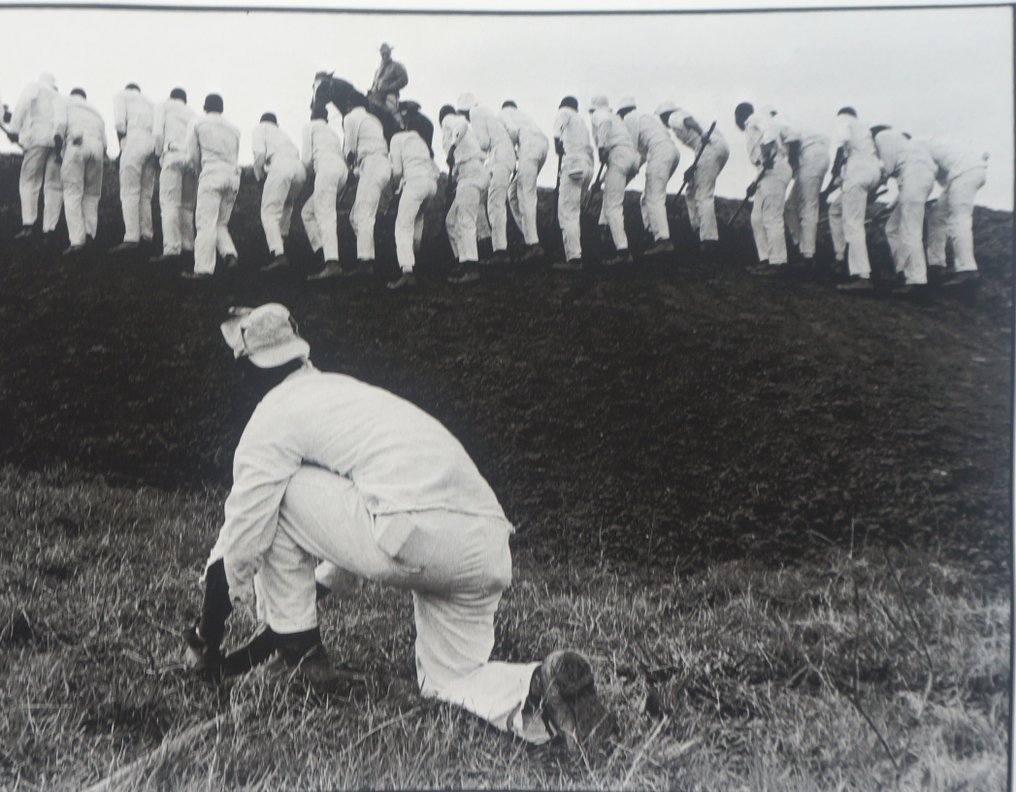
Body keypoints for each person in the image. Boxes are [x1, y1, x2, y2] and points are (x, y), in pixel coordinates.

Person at [182, 302, 612, 754]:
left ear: (250, 369)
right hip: (486, 549)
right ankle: (538, 685)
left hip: (418, 538)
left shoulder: (271, 418)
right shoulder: (344, 394)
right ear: (298, 354)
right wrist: (301, 605)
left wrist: (206, 639)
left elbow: (240, 544)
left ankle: (303, 660)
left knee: (278, 496)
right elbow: (359, 514)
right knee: (448, 679)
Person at [655, 102, 728, 257]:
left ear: (664, 115)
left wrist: (702, 134)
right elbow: (700, 148)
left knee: (703, 194)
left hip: (709, 147)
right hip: (716, 149)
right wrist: (693, 167)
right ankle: (698, 228)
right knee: (691, 191)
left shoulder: (674, 116)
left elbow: (688, 121)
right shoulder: (684, 120)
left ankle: (709, 240)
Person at [915, 135, 989, 286]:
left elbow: (924, 176)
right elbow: (942, 176)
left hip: (965, 173)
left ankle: (966, 269)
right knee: (936, 215)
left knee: (959, 219)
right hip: (966, 173)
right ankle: (936, 265)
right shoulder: (932, 144)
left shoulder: (916, 146)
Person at [183, 93, 241, 280]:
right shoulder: (234, 128)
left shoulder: (198, 122)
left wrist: (201, 171)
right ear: (222, 109)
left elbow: (192, 154)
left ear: (205, 107)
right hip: (232, 177)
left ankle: (203, 269)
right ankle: (229, 254)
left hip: (211, 174)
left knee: (205, 223)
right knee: (220, 223)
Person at [870, 126, 936, 291]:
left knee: (910, 230)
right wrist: (888, 208)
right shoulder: (904, 144)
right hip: (922, 179)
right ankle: (902, 270)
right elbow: (905, 183)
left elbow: (888, 169)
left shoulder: (881, 137)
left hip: (915, 178)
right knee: (892, 227)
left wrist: (872, 191)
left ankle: (916, 280)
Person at [456, 94, 516, 266]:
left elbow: (483, 142)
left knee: (495, 204)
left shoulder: (476, 112)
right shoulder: (487, 112)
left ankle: (500, 251)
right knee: (490, 201)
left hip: (498, 158)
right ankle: (494, 245)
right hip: (502, 157)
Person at [734, 101, 792, 276]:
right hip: (765, 172)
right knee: (757, 218)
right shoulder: (750, 128)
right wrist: (754, 183)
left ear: (739, 116)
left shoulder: (755, 118)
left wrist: (766, 151)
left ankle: (777, 263)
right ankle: (765, 259)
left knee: (771, 217)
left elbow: (771, 128)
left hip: (774, 168)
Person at [617, 97, 679, 258]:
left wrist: (617, 181)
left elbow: (630, 155)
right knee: (646, 199)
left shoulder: (630, 118)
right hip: (671, 152)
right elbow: (640, 156)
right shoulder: (646, 119)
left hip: (661, 153)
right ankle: (651, 233)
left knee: (654, 198)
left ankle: (664, 241)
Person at [769, 109, 830, 270]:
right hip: (814, 157)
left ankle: (808, 256)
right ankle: (800, 247)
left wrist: (792, 167)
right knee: (790, 206)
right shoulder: (789, 119)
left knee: (808, 207)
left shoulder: (777, 121)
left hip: (812, 157)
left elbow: (794, 141)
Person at [832, 107, 882, 292]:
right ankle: (842, 256)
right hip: (872, 173)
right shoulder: (863, 128)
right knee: (835, 211)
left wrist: (835, 170)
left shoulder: (843, 120)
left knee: (853, 224)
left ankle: (862, 276)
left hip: (858, 174)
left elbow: (842, 142)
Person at [9, 72, 63, 241]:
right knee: (53, 185)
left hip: (38, 138)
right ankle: (50, 228)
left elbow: (24, 104)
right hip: (56, 142)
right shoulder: (58, 96)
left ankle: (29, 225)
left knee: (29, 181)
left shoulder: (35, 86)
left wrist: (14, 129)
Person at [54, 88, 106, 256]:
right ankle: (90, 234)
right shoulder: (95, 111)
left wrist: (57, 153)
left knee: (72, 193)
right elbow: (105, 143)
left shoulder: (65, 101)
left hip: (77, 144)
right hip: (97, 148)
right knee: (91, 195)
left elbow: (60, 125)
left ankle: (77, 241)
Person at [252, 113, 307, 272]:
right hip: (299, 169)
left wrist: (259, 177)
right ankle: (283, 242)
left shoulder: (260, 128)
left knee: (269, 212)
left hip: (280, 166)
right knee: (287, 205)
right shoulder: (282, 134)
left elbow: (260, 154)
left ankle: (278, 255)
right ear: (276, 123)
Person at [388, 122, 439, 289]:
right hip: (431, 184)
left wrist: (395, 189)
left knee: (402, 226)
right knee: (418, 217)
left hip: (415, 183)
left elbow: (397, 172)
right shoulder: (418, 138)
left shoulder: (395, 139)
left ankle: (407, 272)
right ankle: (417, 254)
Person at [440, 104, 488, 284]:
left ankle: (471, 268)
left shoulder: (450, 120)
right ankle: (462, 259)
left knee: (465, 221)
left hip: (472, 174)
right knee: (451, 221)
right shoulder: (458, 136)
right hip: (468, 176)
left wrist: (452, 147)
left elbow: (461, 125)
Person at [343, 96, 392, 274]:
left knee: (363, 214)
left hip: (372, 165)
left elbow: (349, 150)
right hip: (382, 165)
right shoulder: (373, 120)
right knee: (355, 216)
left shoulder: (350, 118)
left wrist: (349, 168)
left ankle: (366, 262)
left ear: (350, 105)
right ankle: (369, 253)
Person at [589, 95, 638, 265]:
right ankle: (603, 229)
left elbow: (603, 124)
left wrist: (601, 148)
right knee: (611, 196)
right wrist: (600, 182)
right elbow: (617, 161)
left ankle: (623, 252)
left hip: (618, 156)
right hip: (630, 158)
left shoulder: (600, 115)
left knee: (613, 205)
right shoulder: (616, 118)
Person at [302, 107, 349, 281]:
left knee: (325, 216)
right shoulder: (332, 133)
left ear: (312, 116)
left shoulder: (310, 126)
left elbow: (306, 159)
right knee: (307, 213)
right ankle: (322, 251)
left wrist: (306, 176)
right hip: (341, 171)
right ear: (326, 119)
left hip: (327, 169)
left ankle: (332, 264)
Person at [499, 101, 549, 262]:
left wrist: (511, 155)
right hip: (542, 146)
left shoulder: (502, 114)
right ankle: (528, 234)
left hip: (529, 147)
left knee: (525, 193)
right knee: (512, 191)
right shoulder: (523, 116)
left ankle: (533, 245)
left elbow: (512, 132)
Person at [151, 88, 197, 264]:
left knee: (170, 204)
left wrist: (157, 154)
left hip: (172, 154)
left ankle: (171, 249)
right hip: (190, 160)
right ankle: (188, 247)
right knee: (186, 207)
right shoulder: (192, 113)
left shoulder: (163, 105)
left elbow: (157, 133)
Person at [112, 84, 159, 253]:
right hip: (151, 142)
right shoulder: (151, 103)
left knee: (129, 192)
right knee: (145, 194)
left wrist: (122, 147)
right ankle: (147, 234)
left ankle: (131, 236)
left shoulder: (122, 95)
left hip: (134, 139)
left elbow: (119, 123)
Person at [551, 96, 594, 271]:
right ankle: (581, 250)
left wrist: (557, 145)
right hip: (588, 166)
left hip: (573, 165)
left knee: (568, 214)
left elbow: (557, 131)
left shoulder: (563, 112)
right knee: (575, 212)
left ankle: (574, 259)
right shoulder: (581, 121)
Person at [368, 43, 409, 116]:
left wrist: (388, 88)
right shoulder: (378, 70)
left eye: (387, 53)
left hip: (390, 96)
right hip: (376, 97)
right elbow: (374, 84)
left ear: (390, 53)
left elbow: (404, 80)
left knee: (391, 114)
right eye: (383, 53)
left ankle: (400, 124)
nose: (385, 55)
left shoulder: (397, 66)